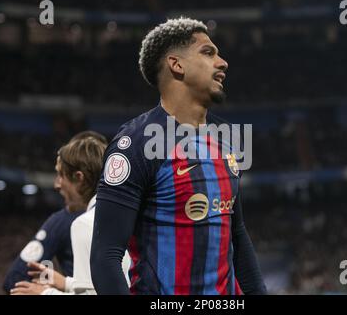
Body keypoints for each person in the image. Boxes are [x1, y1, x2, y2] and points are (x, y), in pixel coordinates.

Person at [90, 17, 266, 295]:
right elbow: (105, 257)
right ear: (177, 64)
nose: (223, 63)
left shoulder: (228, 138)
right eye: (208, 53)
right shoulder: (135, 144)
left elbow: (237, 234)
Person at [10, 135, 131, 295]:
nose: (56, 184)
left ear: (79, 178)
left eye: (61, 174)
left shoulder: (85, 224)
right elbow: (113, 286)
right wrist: (67, 283)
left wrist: (45, 293)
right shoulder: (126, 212)